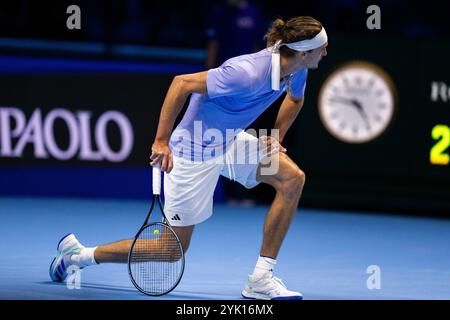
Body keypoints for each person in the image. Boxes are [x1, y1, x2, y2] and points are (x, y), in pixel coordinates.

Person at [49, 16, 328, 300]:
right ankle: (79, 256)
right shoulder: (244, 72)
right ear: (304, 52)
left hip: (229, 141)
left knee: (292, 179)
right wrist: (161, 141)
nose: (326, 53)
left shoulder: (297, 68)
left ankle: (260, 279)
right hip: (193, 152)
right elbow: (180, 84)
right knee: (170, 250)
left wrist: (275, 135)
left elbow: (294, 99)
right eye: (322, 48)